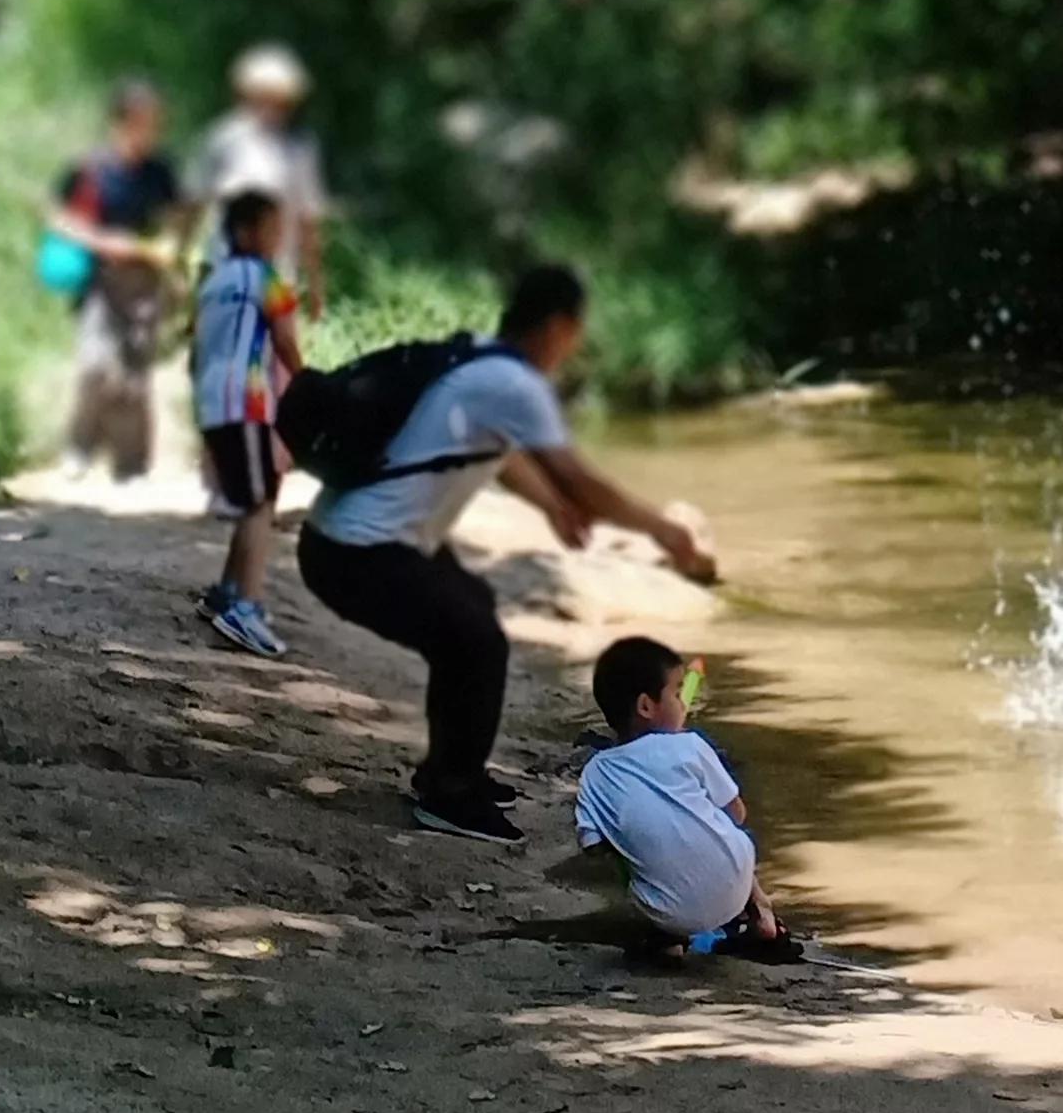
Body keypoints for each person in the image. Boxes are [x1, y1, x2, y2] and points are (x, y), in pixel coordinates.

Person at [293, 258, 716, 845]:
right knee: (474, 639)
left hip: (345, 540)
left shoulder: (483, 362)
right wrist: (665, 532)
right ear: (559, 328)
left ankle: (453, 770)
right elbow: (581, 479)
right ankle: (449, 794)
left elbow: (506, 452)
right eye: (574, 334)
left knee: (470, 609)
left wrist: (549, 506)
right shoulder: (515, 382)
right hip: (356, 551)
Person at [577, 635, 798, 960]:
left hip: (667, 908)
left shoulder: (594, 774)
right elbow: (737, 813)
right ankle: (761, 911)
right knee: (724, 829)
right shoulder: (690, 746)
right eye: (678, 693)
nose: (684, 702)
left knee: (626, 851)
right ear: (646, 706)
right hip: (736, 884)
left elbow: (593, 848)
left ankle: (668, 939)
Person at [191, 182, 304, 663]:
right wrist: (306, 381)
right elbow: (282, 336)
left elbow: (196, 346)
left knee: (248, 501)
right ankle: (246, 605)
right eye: (271, 227)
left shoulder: (215, 280)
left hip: (215, 401)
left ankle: (227, 591)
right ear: (244, 231)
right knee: (260, 504)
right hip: (248, 401)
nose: (278, 237)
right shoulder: (265, 278)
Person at [52, 78, 186, 481]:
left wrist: (168, 248)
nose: (152, 132)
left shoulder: (160, 171)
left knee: (134, 377)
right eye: (144, 122)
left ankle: (131, 465)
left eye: (156, 123)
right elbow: (62, 219)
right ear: (121, 122)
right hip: (100, 279)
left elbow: (176, 219)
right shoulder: (90, 168)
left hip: (146, 281)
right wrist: (106, 242)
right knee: (94, 367)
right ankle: (79, 447)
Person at [190, 45, 329, 324]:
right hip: (224, 265)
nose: (270, 108)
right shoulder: (224, 139)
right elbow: (195, 201)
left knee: (271, 353)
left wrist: (316, 287)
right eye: (261, 98)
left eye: (279, 100)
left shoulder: (300, 149)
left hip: (277, 271)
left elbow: (309, 221)